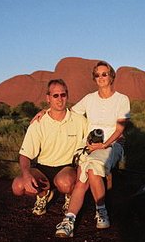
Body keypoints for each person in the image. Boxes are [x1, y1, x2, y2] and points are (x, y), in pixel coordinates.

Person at [55, 60, 130, 238]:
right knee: (83, 175)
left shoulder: (122, 99)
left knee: (93, 168)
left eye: (104, 74)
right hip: (89, 144)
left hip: (111, 144)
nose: (101, 77)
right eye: (97, 75)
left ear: (111, 76)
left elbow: (120, 129)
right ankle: (69, 220)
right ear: (94, 78)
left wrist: (103, 145)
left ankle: (101, 211)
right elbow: (71, 112)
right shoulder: (89, 99)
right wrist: (45, 111)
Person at [11, 79, 88, 217]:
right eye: (55, 95)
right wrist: (27, 174)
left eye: (63, 95)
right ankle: (43, 194)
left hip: (67, 168)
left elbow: (92, 137)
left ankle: (70, 197)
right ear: (48, 98)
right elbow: (25, 155)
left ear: (67, 95)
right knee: (18, 186)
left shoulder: (79, 120)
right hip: (42, 168)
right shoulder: (39, 122)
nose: (60, 99)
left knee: (64, 183)